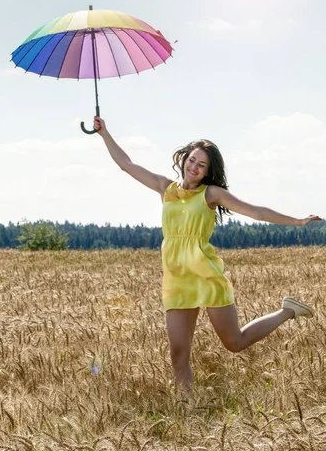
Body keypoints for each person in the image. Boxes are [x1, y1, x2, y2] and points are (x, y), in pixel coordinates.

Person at [93, 116, 322, 388]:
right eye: (192, 160)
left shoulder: (211, 194)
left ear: (207, 171)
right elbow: (126, 164)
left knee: (234, 343)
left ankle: (286, 311)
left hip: (204, 273)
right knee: (178, 353)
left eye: (201, 165)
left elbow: (256, 211)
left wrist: (295, 221)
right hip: (176, 277)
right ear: (183, 159)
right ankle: (186, 412)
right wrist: (104, 133)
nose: (194, 167)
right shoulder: (165, 188)